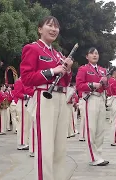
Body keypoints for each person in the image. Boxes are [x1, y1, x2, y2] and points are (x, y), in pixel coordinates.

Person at [20, 16, 73, 180]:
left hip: (60, 97)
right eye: (49, 25)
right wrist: (53, 71)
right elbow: (27, 78)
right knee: (46, 146)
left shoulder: (58, 54)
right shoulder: (32, 48)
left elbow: (65, 81)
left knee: (59, 147)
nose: (53, 29)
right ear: (39, 29)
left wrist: (68, 70)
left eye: (56, 26)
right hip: (44, 97)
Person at [76, 47, 109, 166]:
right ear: (87, 56)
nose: (95, 55)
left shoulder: (102, 70)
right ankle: (93, 157)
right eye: (92, 53)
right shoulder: (83, 69)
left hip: (100, 98)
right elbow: (79, 85)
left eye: (96, 53)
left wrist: (105, 82)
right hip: (90, 98)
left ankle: (99, 154)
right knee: (91, 128)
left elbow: (106, 88)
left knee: (100, 129)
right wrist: (92, 85)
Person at [14, 78, 34, 151]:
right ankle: (21, 143)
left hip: (27, 102)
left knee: (27, 124)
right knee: (22, 124)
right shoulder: (19, 81)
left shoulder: (26, 81)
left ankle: (25, 142)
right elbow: (17, 93)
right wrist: (27, 96)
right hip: (23, 102)